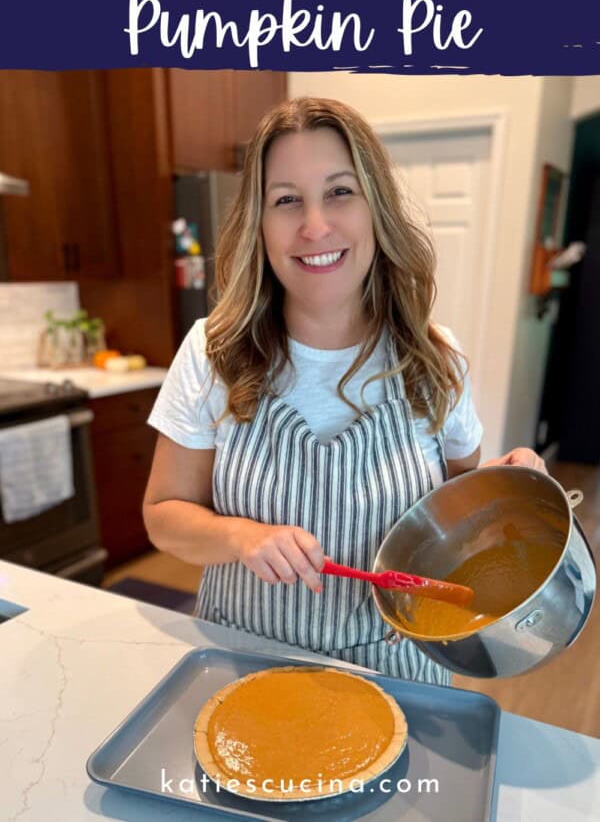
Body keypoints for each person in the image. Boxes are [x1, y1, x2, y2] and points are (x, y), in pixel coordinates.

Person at [144, 96, 546, 687]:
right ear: (258, 222)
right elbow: (162, 516)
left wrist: (507, 489)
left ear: (375, 208)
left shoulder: (435, 359)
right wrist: (239, 535)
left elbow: (458, 511)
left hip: (398, 674)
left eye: (339, 192)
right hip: (245, 666)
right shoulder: (212, 353)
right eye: (286, 200)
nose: (314, 226)